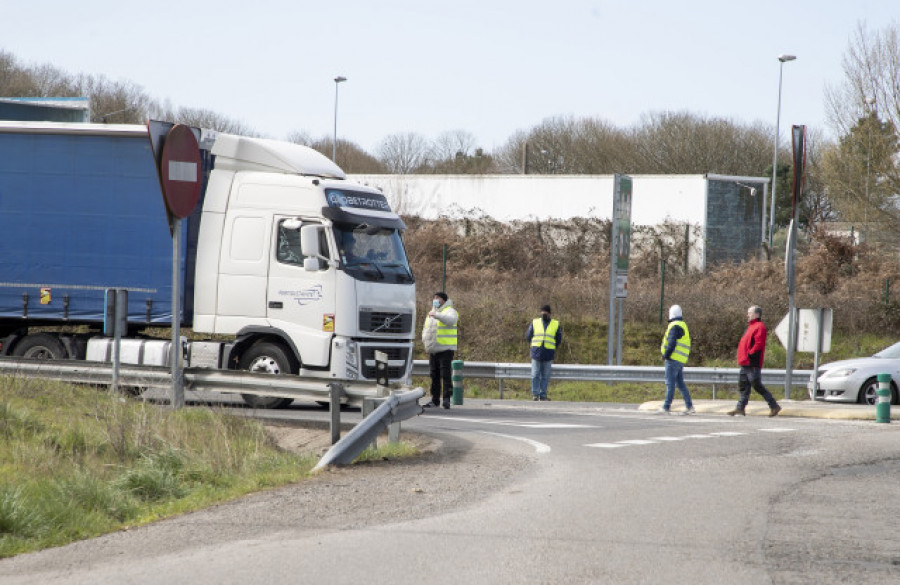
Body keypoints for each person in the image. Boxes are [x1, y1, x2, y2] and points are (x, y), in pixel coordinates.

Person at [728, 305, 782, 417]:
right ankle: (740, 408)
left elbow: (758, 344)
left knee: (757, 385)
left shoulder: (759, 327)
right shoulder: (750, 327)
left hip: (752, 362)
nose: (747, 315)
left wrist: (750, 354)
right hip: (745, 362)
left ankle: (774, 406)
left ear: (757, 314)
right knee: (743, 386)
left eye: (750, 313)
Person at [655, 304, 695, 415]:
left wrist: (666, 355)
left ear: (671, 314)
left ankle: (666, 406)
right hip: (680, 360)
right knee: (680, 384)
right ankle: (689, 406)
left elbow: (671, 343)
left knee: (670, 384)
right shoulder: (683, 325)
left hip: (672, 360)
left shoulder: (674, 326)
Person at [421, 291, 458, 409]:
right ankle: (434, 400)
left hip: (445, 348)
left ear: (444, 300)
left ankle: (447, 399)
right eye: (434, 298)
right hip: (433, 349)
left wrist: (437, 315)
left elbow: (451, 320)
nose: (435, 300)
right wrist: (424, 341)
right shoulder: (432, 313)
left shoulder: (450, 311)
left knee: (445, 374)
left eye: (438, 298)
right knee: (434, 375)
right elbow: (426, 329)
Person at [526, 304, 562, 401]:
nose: (543, 314)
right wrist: (534, 346)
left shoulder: (555, 324)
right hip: (536, 352)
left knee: (545, 376)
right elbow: (528, 336)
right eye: (542, 312)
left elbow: (559, 339)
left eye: (545, 312)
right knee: (535, 375)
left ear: (549, 313)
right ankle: (535, 394)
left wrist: (553, 347)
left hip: (548, 353)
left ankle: (543, 395)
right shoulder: (535, 322)